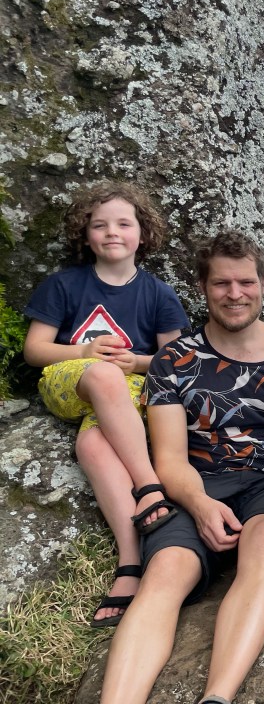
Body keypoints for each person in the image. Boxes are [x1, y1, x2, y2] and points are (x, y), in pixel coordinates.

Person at [98, 230, 264, 704]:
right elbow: (170, 458)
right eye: (221, 283)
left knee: (263, 545)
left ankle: (217, 696)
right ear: (202, 287)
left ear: (263, 285)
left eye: (246, 282)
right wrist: (198, 505)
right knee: (164, 572)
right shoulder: (174, 360)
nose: (235, 294)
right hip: (199, 482)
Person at [22, 181, 188, 628]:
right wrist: (84, 352)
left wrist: (138, 361)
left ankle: (129, 564)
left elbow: (175, 360)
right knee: (102, 373)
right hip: (68, 381)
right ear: (85, 233)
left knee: (93, 446)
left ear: (143, 233)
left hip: (128, 388)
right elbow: (35, 350)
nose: (112, 232)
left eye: (123, 224)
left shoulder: (158, 294)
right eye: (100, 225)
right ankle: (150, 486)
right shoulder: (64, 285)